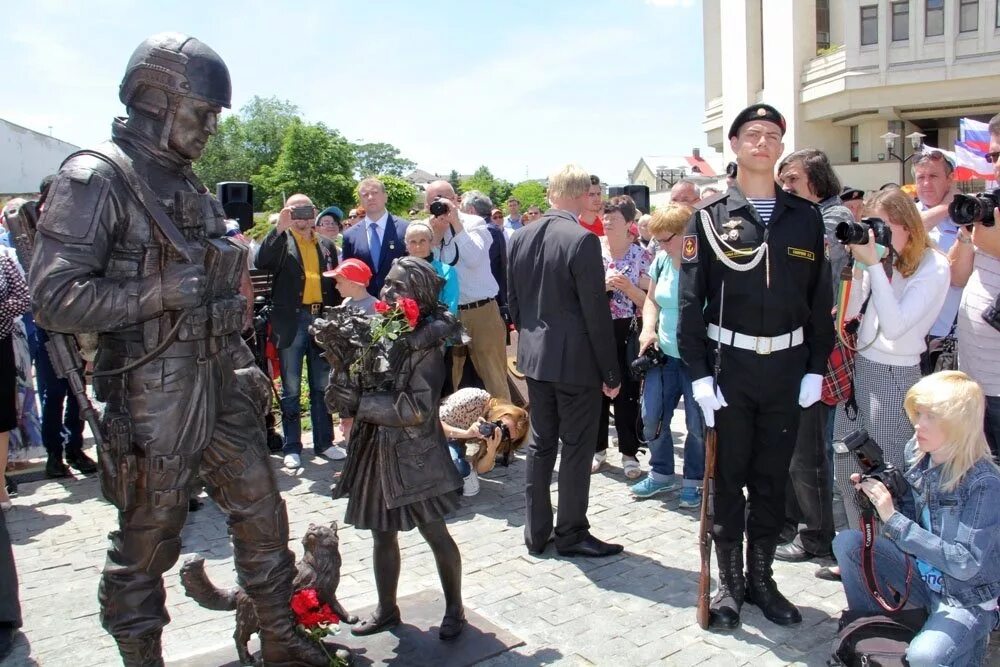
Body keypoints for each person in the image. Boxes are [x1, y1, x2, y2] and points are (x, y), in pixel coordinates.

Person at [28, 33, 331, 666]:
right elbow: (55, 297)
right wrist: (158, 289)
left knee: (261, 509)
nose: (212, 128)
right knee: (148, 536)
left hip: (221, 373)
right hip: (152, 390)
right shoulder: (95, 178)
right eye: (205, 111)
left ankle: (279, 636)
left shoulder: (187, 185)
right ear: (158, 99)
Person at [678, 103, 834, 630]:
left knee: (771, 481)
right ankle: (730, 583)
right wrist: (699, 376)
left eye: (772, 134)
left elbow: (820, 302)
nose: (763, 142)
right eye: (752, 134)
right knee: (727, 481)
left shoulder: (805, 217)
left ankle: (762, 578)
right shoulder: (710, 216)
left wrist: (816, 367)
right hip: (730, 371)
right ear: (736, 144)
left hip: (787, 369)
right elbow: (689, 303)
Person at [328, 256, 467, 640]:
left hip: (415, 455)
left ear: (418, 296)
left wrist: (361, 405)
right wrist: (343, 386)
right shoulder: (382, 329)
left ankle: (455, 608)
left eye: (397, 287)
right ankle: (387, 608)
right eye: (386, 284)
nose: (387, 292)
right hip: (376, 447)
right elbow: (364, 381)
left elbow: (416, 409)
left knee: (435, 533)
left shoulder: (428, 344)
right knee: (381, 533)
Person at [833, 371, 1000, 667]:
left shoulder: (984, 483)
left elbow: (965, 563)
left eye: (930, 417)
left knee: (924, 657)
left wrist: (893, 518)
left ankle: (961, 646)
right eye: (918, 413)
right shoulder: (917, 452)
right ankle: (875, 633)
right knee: (847, 543)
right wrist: (884, 495)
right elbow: (917, 521)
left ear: (957, 424)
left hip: (965, 599)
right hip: (923, 578)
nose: (918, 424)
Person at [508, 164, 622, 558]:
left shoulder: (520, 236)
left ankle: (536, 532)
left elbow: (515, 305)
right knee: (574, 448)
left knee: (541, 445)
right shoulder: (581, 239)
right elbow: (595, 313)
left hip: (536, 358)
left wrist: (532, 342)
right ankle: (572, 533)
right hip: (575, 362)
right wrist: (611, 370)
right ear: (578, 194)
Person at [832, 187, 950, 540]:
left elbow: (897, 328)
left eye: (883, 227)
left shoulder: (934, 265)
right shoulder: (880, 261)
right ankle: (861, 548)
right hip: (860, 368)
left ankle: (889, 558)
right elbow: (851, 317)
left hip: (895, 374)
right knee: (844, 464)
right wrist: (862, 266)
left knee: (885, 473)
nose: (874, 235)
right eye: (869, 225)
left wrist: (874, 266)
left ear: (908, 226)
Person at [774, 148, 854, 563]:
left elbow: (809, 279)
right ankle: (790, 521)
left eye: (793, 180)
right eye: (782, 180)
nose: (785, 187)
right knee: (792, 444)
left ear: (817, 182)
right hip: (794, 346)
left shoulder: (833, 220)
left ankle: (816, 535)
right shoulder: (804, 217)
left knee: (810, 449)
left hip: (817, 349)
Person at [256, 193, 343, 468]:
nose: (304, 217)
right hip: (292, 321)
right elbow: (262, 261)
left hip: (320, 320)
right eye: (298, 211)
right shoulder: (282, 242)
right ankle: (292, 445)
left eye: (308, 211)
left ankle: (324, 443)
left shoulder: (327, 245)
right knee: (291, 387)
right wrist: (279, 226)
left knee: (321, 385)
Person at [633, 204, 704, 507]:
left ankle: (694, 480)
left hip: (697, 358)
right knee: (651, 418)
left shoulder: (705, 264)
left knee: (698, 426)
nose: (659, 246)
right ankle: (661, 473)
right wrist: (648, 328)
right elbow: (651, 300)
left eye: (665, 239)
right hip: (663, 356)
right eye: (657, 239)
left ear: (687, 233)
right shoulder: (661, 261)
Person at [426, 181, 510, 401]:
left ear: (455, 200)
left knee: (495, 377)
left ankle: (507, 428)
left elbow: (473, 258)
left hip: (481, 310)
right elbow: (428, 268)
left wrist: (455, 223)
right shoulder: (427, 229)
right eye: (432, 201)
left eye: (442, 198)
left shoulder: (475, 223)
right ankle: (455, 432)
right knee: (449, 379)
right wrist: (436, 235)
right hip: (447, 313)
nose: (438, 205)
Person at [949, 112, 1000, 459]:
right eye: (993, 156)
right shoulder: (989, 206)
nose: (995, 164)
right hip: (974, 376)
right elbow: (958, 276)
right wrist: (968, 235)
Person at [592, 196, 651, 478]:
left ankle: (629, 452)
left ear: (629, 224)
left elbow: (651, 300)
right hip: (596, 327)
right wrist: (599, 289)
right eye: (604, 218)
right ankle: (598, 449)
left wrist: (629, 288)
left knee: (627, 392)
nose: (606, 223)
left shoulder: (641, 255)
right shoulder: (592, 251)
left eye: (613, 219)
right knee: (595, 392)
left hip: (628, 328)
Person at [913, 151, 963, 374]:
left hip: (953, 332)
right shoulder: (909, 213)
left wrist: (955, 209)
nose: (925, 183)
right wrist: (946, 207)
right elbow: (910, 231)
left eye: (933, 176)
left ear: (950, 179)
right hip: (913, 330)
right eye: (920, 177)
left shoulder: (966, 217)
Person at [439, 387, 530, 496]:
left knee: (460, 470)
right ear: (502, 412)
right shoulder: (473, 399)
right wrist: (466, 433)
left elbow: (480, 469)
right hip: (428, 437)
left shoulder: (498, 436)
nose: (500, 432)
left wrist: (491, 451)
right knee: (453, 468)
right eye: (503, 427)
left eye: (507, 437)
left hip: (453, 442)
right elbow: (431, 424)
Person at [342, 178, 408, 296]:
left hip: (399, 303)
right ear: (360, 201)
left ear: (385, 197)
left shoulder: (406, 229)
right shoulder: (350, 236)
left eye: (375, 193)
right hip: (363, 306)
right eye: (365, 195)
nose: (370, 197)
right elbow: (348, 273)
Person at [0, 252, 30, 511]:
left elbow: (24, 299)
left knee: (1, 421)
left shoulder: (2, 258)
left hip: (0, 346)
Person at [404, 222, 458, 315]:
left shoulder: (447, 271)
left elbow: (451, 306)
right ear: (406, 245)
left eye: (422, 241)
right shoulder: (400, 269)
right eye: (413, 242)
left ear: (431, 243)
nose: (418, 246)